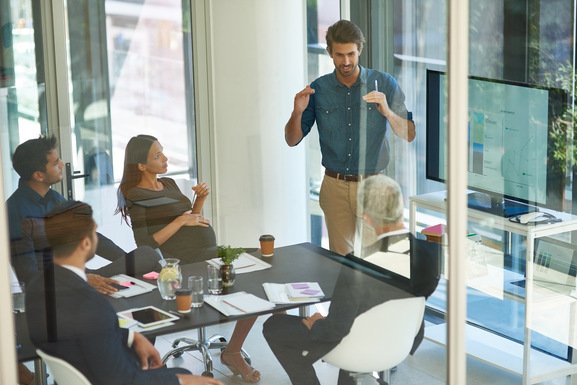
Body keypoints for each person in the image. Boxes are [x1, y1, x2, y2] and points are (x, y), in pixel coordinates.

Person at [262, 175, 438, 385]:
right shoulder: (430, 255)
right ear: (400, 207)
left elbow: (337, 329)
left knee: (274, 326)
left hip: (356, 345)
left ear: (366, 217)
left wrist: (317, 323)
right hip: (399, 340)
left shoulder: (358, 264)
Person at [26, 201, 223, 385]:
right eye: (95, 233)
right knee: (190, 377)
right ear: (85, 243)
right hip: (110, 377)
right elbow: (122, 380)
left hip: (83, 368)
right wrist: (180, 380)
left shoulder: (38, 285)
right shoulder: (91, 305)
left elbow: (86, 334)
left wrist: (131, 336)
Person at [117, 134, 260, 383]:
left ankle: (233, 350)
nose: (165, 158)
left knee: (254, 269)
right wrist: (181, 219)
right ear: (141, 165)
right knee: (250, 270)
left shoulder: (169, 184)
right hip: (181, 262)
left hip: (204, 252)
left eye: (163, 152)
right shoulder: (135, 195)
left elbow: (191, 220)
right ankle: (233, 352)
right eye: (157, 155)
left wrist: (199, 202)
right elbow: (146, 244)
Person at [284, 19, 416, 256]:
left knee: (377, 261)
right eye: (339, 55)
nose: (346, 61)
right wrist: (297, 112)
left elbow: (409, 134)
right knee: (340, 263)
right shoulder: (318, 89)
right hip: (334, 187)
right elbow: (291, 140)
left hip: (373, 185)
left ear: (360, 50)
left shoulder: (384, 83)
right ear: (330, 53)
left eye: (351, 54)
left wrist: (387, 111)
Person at [6, 136, 161, 294]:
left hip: (83, 275)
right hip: (57, 288)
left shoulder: (55, 199)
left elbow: (90, 236)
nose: (61, 165)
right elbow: (29, 276)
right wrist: (83, 279)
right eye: (55, 163)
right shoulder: (14, 212)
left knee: (147, 257)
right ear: (39, 175)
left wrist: (128, 262)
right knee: (148, 259)